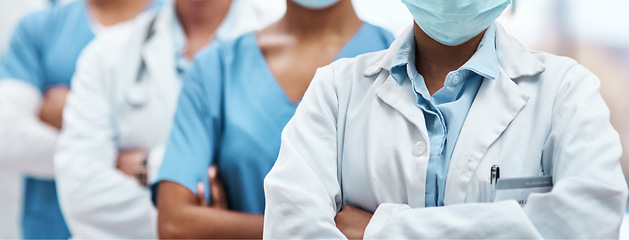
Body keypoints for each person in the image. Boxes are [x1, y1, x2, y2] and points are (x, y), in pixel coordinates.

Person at [262, 0, 628, 238]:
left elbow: (589, 222)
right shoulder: (337, 91)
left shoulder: (565, 90)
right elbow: (290, 228)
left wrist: (384, 229)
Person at [152, 0, 394, 238]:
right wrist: (343, 230)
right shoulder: (217, 67)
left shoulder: (398, 63)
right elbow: (175, 224)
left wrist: (223, 229)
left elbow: (423, 219)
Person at [53, 0, 284, 238]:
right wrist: (201, 219)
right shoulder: (106, 54)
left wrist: (146, 169)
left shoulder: (287, 37)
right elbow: (81, 193)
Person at [0, 0, 161, 238]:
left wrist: (68, 114)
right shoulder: (40, 27)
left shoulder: (180, 25)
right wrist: (122, 162)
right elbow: (4, 138)